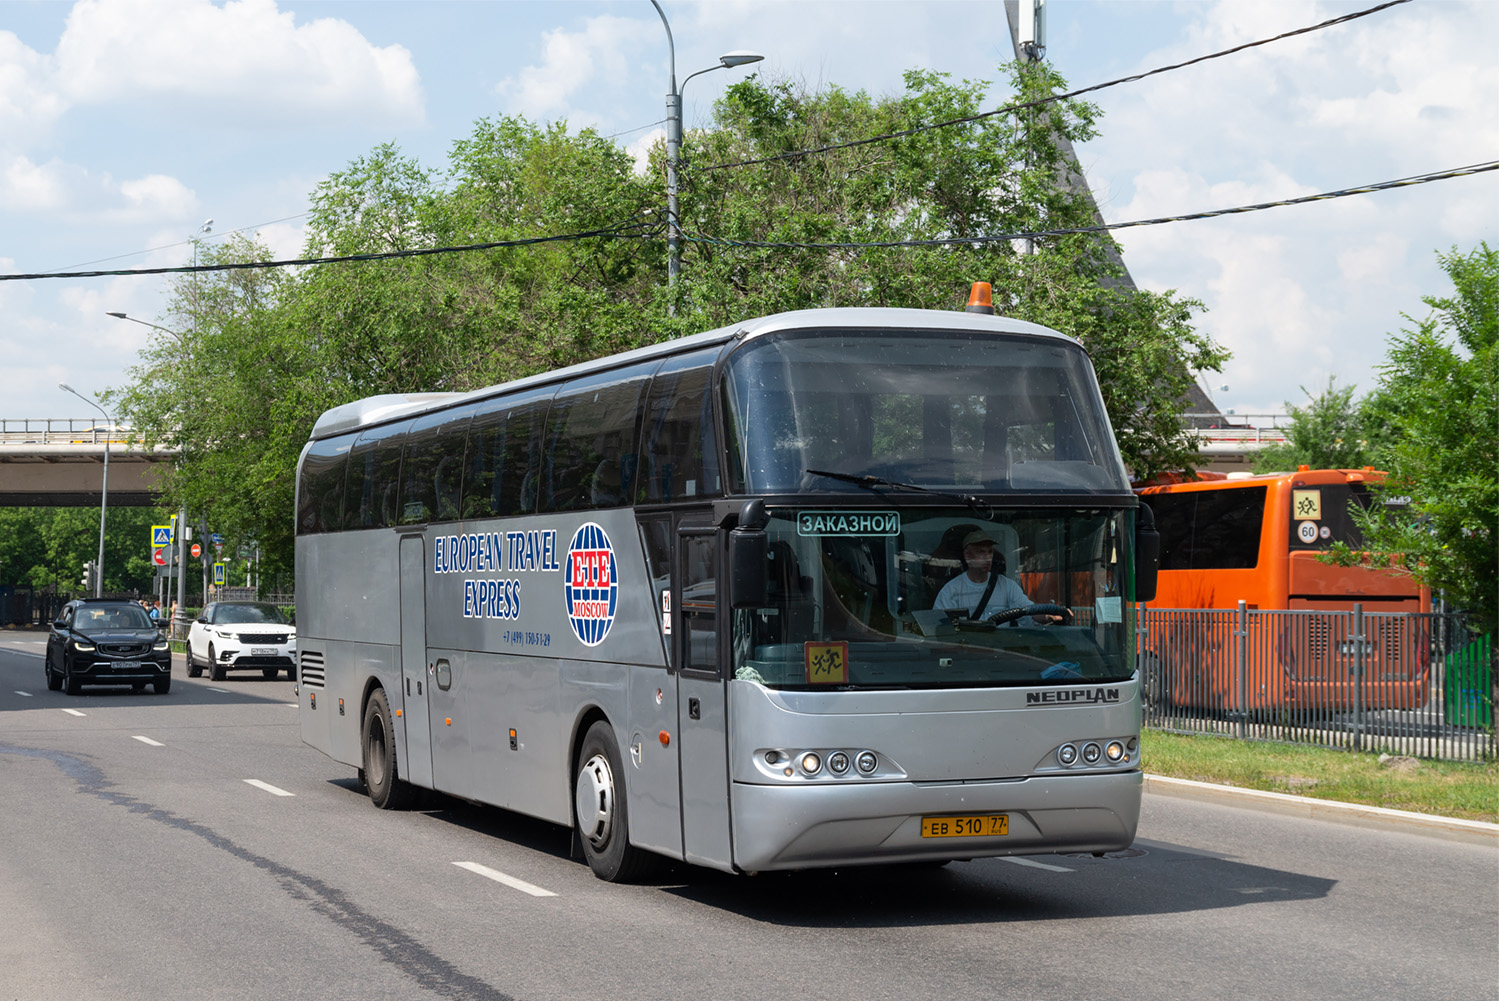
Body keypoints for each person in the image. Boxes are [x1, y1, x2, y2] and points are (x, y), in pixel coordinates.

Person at [932, 530, 1059, 624]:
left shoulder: (1007, 586)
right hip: (968, 654)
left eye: (990, 552)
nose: (987, 557)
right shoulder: (950, 591)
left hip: (1002, 653)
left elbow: (1029, 612)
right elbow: (938, 628)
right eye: (981, 552)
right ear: (967, 555)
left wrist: (1050, 615)